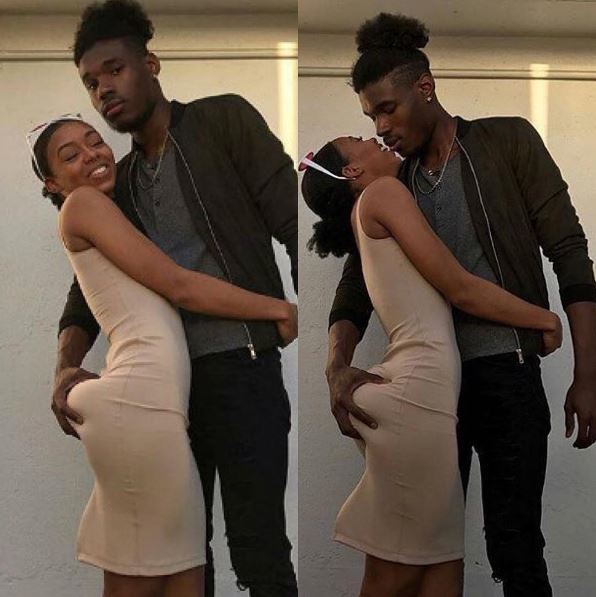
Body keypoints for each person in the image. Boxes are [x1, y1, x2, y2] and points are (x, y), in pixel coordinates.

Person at [322, 12, 596, 597]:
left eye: (387, 109)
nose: (381, 127)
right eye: (370, 118)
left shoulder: (507, 141)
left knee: (515, 548)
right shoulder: (391, 185)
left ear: (425, 87)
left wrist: (588, 373)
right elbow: (354, 289)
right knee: (427, 550)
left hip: (508, 375)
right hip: (430, 395)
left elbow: (570, 253)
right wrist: (335, 366)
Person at [50, 1, 298, 596]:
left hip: (243, 366)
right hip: (167, 391)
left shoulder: (222, 121)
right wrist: (64, 365)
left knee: (259, 548)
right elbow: (84, 296)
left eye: (114, 70)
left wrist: (300, 318)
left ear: (151, 64)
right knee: (186, 554)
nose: (104, 90)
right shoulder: (117, 184)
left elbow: (291, 217)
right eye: (91, 83)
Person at [301, 135, 561, 597]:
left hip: (425, 400)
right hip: (417, 400)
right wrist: (544, 318)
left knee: (441, 572)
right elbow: (459, 286)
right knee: (393, 577)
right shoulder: (383, 194)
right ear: (352, 172)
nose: (373, 136)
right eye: (358, 140)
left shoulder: (372, 209)